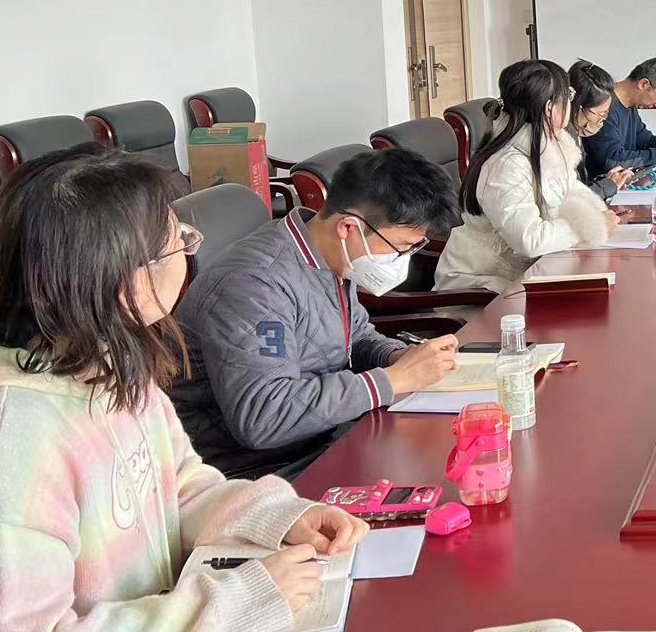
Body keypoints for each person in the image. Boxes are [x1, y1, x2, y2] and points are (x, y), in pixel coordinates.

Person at [0, 146, 368, 632]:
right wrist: (231, 605)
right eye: (178, 243)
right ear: (124, 277)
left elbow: (179, 484)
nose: (188, 253)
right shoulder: (15, 433)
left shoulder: (107, 360)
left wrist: (277, 518)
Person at [173, 147, 462, 480]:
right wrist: (392, 380)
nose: (403, 259)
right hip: (261, 471)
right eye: (401, 247)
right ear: (348, 227)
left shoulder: (326, 255)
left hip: (322, 437)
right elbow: (265, 416)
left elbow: (355, 337)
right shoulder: (254, 285)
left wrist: (399, 357)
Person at [434, 59, 620, 294]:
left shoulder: (549, 147)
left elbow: (571, 190)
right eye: (569, 96)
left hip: (529, 274)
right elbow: (530, 240)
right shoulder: (508, 164)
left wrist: (600, 217)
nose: (571, 103)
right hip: (483, 288)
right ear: (549, 108)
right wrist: (591, 227)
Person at [582, 54, 656, 176]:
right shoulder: (603, 106)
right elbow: (612, 160)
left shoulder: (630, 107)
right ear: (644, 84)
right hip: (599, 185)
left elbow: (644, 141)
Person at [567, 58, 636, 200]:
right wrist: (607, 186)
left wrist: (607, 181)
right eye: (601, 114)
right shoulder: (561, 141)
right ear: (577, 107)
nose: (602, 121)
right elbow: (573, 200)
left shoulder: (575, 135)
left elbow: (580, 185)